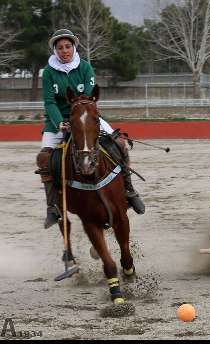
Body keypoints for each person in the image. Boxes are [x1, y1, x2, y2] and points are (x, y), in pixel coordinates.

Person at [36, 29, 145, 229]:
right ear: (55, 50)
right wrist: (60, 121)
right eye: (60, 47)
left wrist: (78, 116)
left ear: (74, 47)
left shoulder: (85, 67)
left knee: (119, 143)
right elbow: (49, 101)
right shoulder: (49, 73)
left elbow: (88, 94)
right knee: (44, 158)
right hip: (57, 121)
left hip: (85, 116)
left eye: (67, 46)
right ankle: (53, 207)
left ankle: (129, 190)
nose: (64, 51)